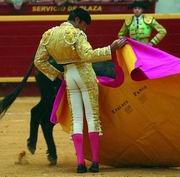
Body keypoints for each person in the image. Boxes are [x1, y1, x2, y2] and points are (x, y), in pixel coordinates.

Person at [34, 7, 126, 173]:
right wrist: (110, 49)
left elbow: (38, 61)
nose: (84, 28)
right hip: (84, 74)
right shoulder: (77, 34)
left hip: (69, 75)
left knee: (76, 119)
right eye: (84, 24)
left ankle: (80, 164)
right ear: (77, 20)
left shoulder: (49, 35)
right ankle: (95, 163)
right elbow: (88, 56)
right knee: (92, 117)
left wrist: (57, 74)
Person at [27, 58, 63, 166]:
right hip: (59, 72)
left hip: (49, 71)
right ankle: (50, 152)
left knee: (43, 117)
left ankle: (35, 143)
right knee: (45, 118)